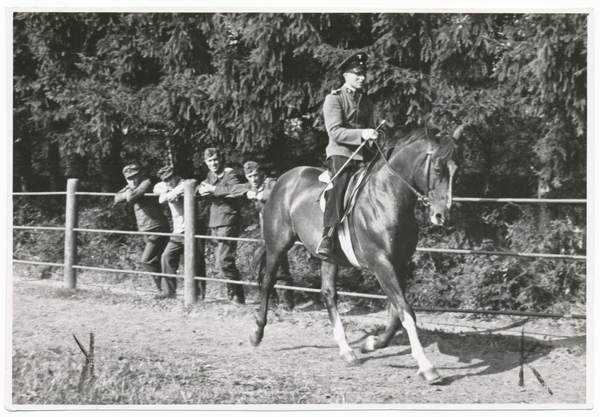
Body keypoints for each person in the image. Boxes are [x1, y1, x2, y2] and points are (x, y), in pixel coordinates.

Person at [317, 51, 380, 257]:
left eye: (364, 73)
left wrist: (375, 137)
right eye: (357, 73)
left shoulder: (367, 102)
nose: (362, 77)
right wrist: (363, 133)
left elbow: (370, 129)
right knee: (340, 185)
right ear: (346, 76)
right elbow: (334, 131)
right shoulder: (334, 99)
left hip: (365, 155)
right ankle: (328, 235)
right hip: (341, 154)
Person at [238, 161, 295, 309]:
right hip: (264, 233)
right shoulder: (249, 186)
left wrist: (261, 194)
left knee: (280, 267)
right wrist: (246, 192)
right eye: (250, 176)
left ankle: (287, 304)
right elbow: (232, 188)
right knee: (264, 268)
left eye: (256, 175)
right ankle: (270, 302)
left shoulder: (270, 183)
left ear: (261, 174)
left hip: (278, 232)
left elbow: (282, 190)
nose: (254, 179)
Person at [196, 148, 246, 305]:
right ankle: (232, 293)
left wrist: (214, 190)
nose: (213, 163)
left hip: (228, 220)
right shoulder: (211, 175)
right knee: (223, 261)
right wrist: (201, 190)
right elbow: (201, 186)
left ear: (221, 159)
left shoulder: (229, 174)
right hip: (215, 221)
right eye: (210, 161)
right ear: (206, 162)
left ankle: (237, 294)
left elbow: (238, 189)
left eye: (215, 159)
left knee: (223, 260)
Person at [114, 164, 170, 295]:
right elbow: (116, 198)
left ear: (140, 174)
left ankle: (164, 290)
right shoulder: (131, 187)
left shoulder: (147, 182)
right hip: (146, 228)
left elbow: (132, 197)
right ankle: (165, 291)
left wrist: (128, 191)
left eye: (135, 176)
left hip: (157, 227)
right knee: (156, 260)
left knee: (147, 260)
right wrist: (127, 192)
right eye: (129, 178)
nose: (133, 180)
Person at [154, 165, 206, 299]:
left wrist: (173, 193)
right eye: (166, 180)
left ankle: (199, 294)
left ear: (176, 175)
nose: (169, 181)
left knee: (197, 261)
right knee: (167, 256)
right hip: (178, 231)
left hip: (193, 229)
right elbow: (157, 192)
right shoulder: (167, 187)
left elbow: (191, 183)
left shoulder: (184, 184)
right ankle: (169, 292)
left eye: (171, 178)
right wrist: (166, 191)